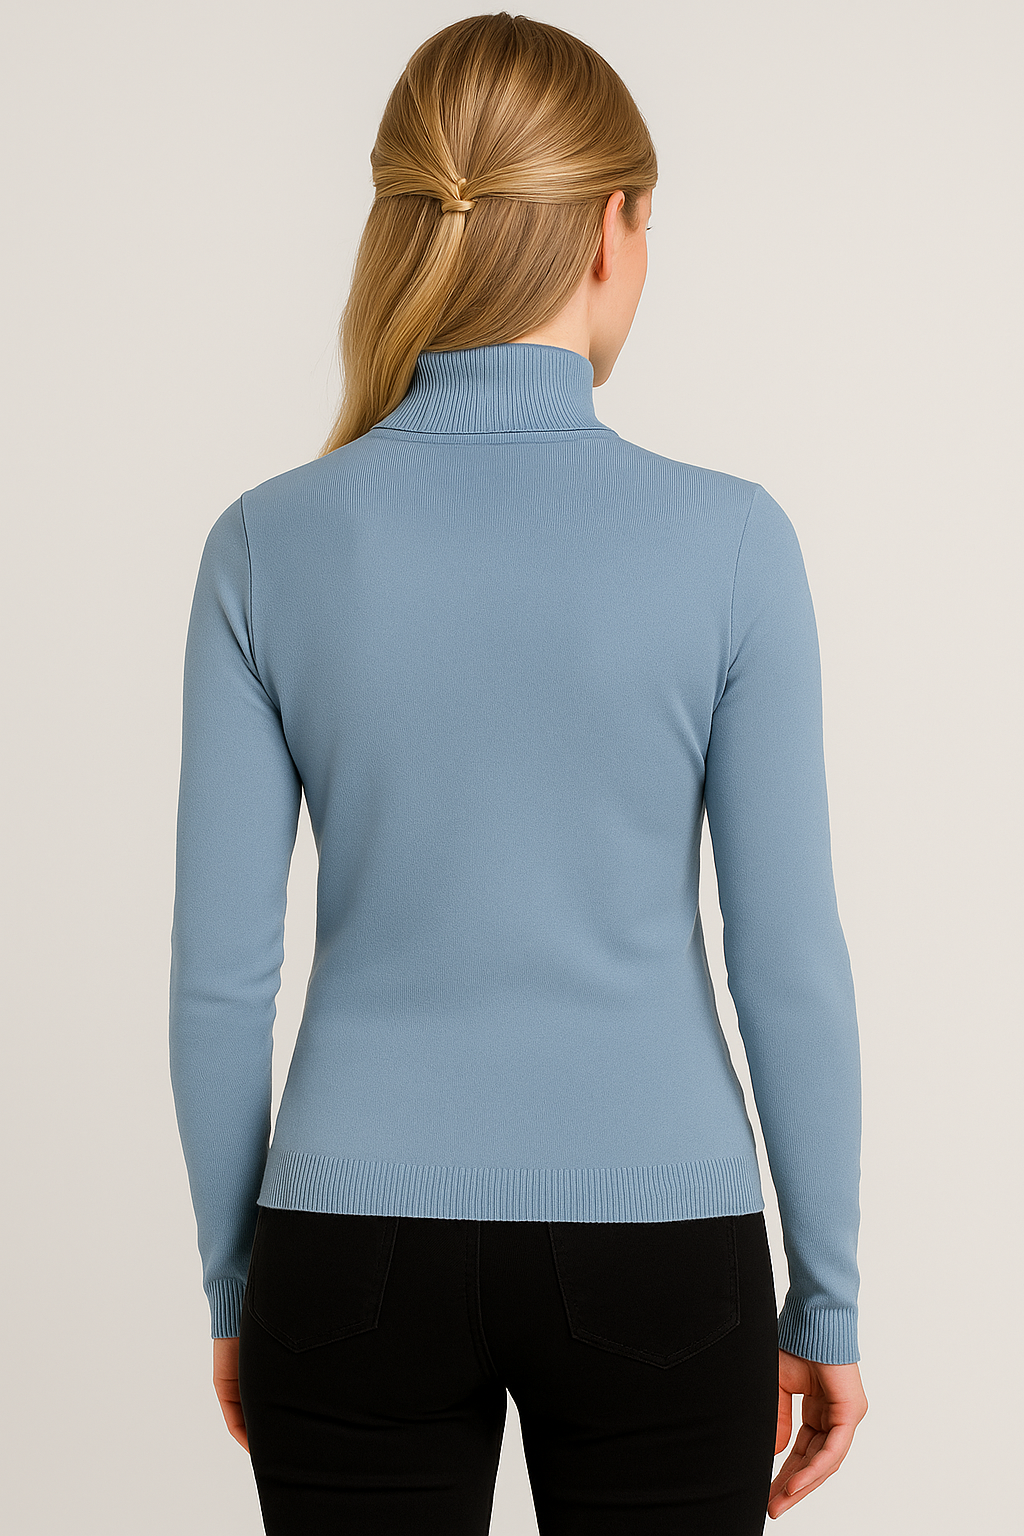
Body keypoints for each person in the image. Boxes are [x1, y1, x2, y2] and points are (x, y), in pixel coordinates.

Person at [169, 12, 868, 1533]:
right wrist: (827, 1297)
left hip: (345, 1251)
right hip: (664, 1242)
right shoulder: (733, 542)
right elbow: (790, 962)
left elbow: (219, 980)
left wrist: (240, 1284)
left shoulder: (265, 542)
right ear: (613, 227)